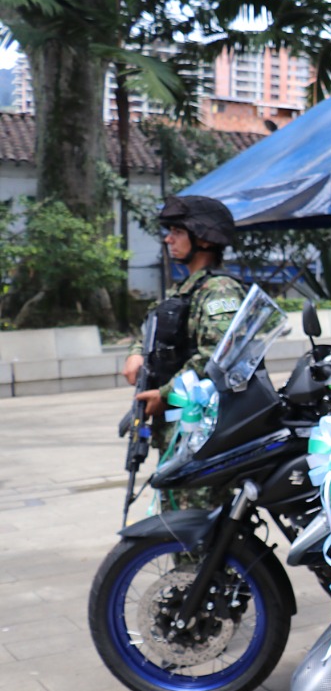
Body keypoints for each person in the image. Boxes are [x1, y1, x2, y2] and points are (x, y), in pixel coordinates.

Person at [122, 195, 247, 511]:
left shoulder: (220, 290)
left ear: (203, 239)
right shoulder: (186, 289)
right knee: (176, 516)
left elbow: (216, 356)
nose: (168, 239)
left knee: (195, 522)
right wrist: (136, 353)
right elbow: (155, 331)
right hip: (179, 432)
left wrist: (164, 395)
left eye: (177, 232)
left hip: (201, 433)